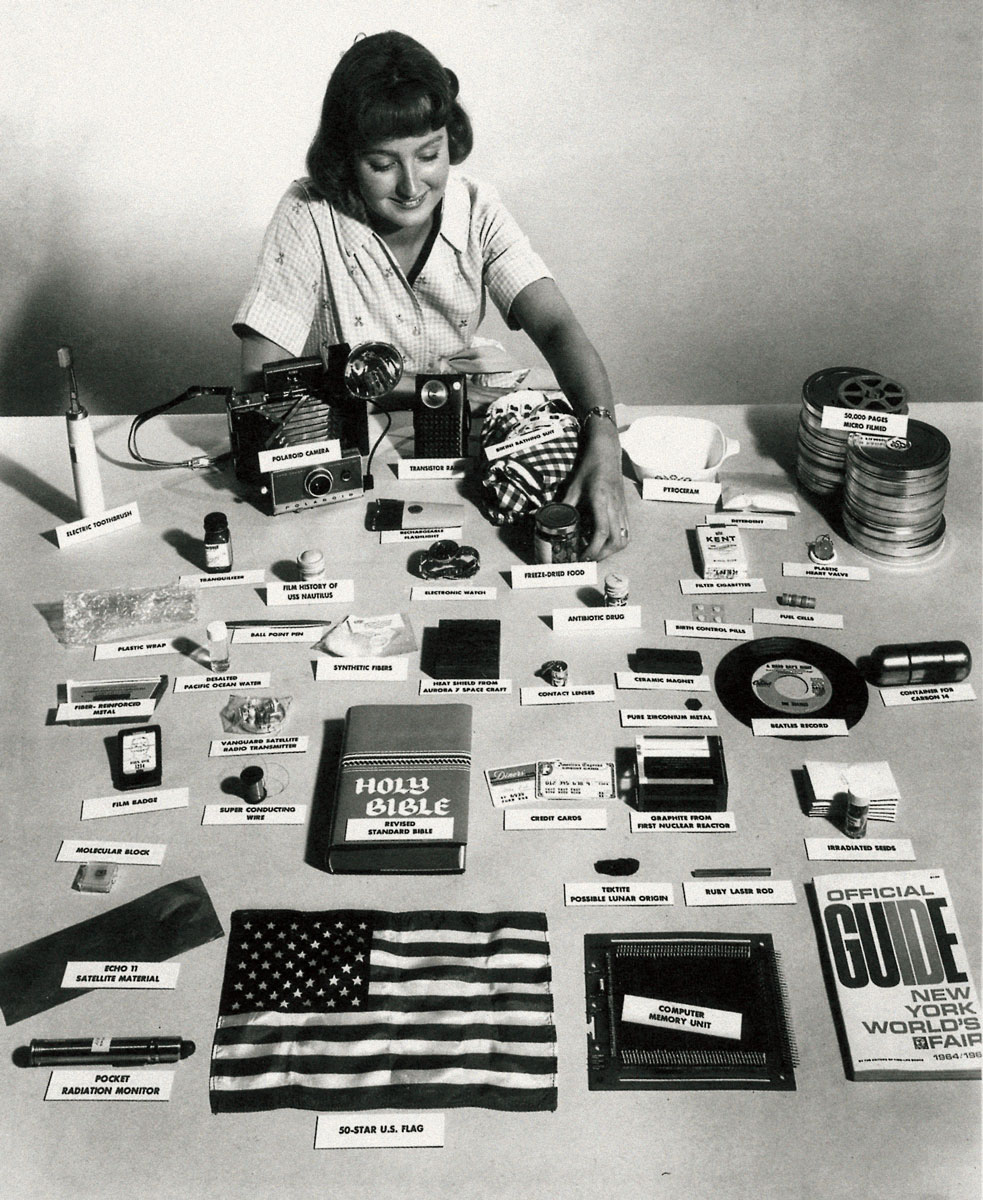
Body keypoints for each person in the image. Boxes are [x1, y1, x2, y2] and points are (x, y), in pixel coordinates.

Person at [234, 30, 628, 560]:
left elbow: (558, 329)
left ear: (451, 139)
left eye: (429, 154)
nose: (412, 185)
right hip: (360, 450)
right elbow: (263, 382)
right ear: (345, 158)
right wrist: (441, 389)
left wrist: (603, 442)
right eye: (382, 164)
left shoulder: (478, 206)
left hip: (467, 452)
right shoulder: (308, 212)